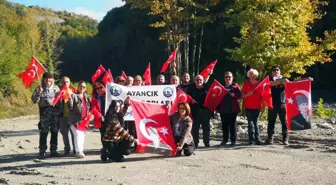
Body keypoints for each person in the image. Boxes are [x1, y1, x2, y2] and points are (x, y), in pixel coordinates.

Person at [31, 72, 60, 157]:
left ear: (52, 79)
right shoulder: (39, 88)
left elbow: (60, 100)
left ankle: (53, 150)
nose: (48, 80)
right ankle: (42, 150)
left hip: (55, 112)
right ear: (43, 79)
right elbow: (34, 100)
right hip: (44, 112)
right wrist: (39, 94)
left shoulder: (56, 88)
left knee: (54, 132)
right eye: (46, 78)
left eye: (50, 78)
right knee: (44, 132)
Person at [266, 65, 289, 145]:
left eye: (277, 70)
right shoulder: (269, 79)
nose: (276, 71)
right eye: (274, 70)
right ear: (272, 72)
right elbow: (270, 84)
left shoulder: (285, 78)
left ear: (280, 71)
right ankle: (270, 139)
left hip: (282, 103)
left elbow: (292, 84)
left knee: (284, 122)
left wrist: (308, 80)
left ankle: (285, 139)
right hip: (272, 103)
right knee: (271, 122)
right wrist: (280, 82)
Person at [187, 75, 212, 148]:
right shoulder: (191, 89)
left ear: (203, 81)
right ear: (195, 81)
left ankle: (206, 142)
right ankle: (196, 143)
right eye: (197, 80)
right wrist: (191, 100)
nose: (199, 81)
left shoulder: (207, 88)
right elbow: (187, 98)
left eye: (200, 80)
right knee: (195, 129)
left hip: (206, 111)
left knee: (206, 128)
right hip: (195, 112)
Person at [217, 71, 242, 146]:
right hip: (223, 109)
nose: (228, 78)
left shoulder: (235, 86)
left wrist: (234, 95)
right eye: (226, 77)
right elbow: (216, 97)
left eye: (229, 77)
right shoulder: (221, 86)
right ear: (224, 78)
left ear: (232, 78)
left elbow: (239, 96)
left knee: (232, 125)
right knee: (224, 125)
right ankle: (225, 140)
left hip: (233, 109)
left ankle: (233, 140)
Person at [68, 81, 91, 158]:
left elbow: (89, 107)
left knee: (82, 136)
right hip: (75, 120)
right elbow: (69, 107)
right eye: (81, 86)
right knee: (77, 135)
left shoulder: (86, 97)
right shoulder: (73, 96)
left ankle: (80, 150)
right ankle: (78, 151)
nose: (82, 88)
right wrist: (70, 101)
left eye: (84, 87)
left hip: (84, 120)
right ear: (78, 87)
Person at [241, 69, 262, 145]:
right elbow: (242, 95)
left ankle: (258, 139)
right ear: (248, 76)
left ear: (256, 75)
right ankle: (251, 140)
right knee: (250, 123)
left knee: (256, 123)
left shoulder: (260, 84)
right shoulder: (246, 84)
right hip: (248, 106)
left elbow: (264, 95)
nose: (252, 76)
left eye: (253, 74)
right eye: (250, 74)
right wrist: (249, 94)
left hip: (257, 106)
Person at [59, 76, 76, 155]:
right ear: (61, 83)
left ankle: (75, 148)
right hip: (63, 116)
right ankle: (67, 148)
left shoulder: (74, 91)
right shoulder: (58, 92)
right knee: (64, 133)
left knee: (74, 133)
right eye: (63, 82)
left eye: (67, 82)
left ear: (69, 83)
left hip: (72, 116)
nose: (65, 83)